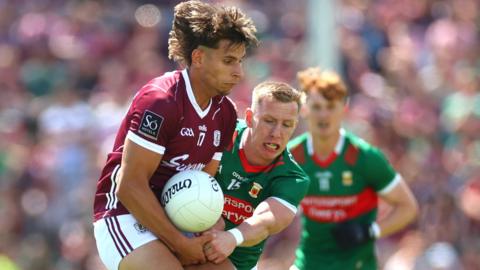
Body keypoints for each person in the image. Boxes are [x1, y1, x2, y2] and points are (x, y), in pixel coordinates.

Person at [92, 1, 258, 270]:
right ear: (199, 58)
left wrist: (211, 224)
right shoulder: (161, 101)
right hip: (125, 214)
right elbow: (129, 185)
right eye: (228, 61)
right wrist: (180, 244)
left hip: (180, 221)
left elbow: (204, 181)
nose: (238, 72)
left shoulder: (226, 112)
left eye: (240, 61)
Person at [258, 68, 419, 270]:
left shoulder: (365, 158)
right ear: (304, 110)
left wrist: (370, 231)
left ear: (344, 108)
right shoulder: (291, 156)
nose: (323, 115)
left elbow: (408, 207)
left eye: (330, 106)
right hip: (308, 264)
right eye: (316, 106)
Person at [186, 81, 310, 270]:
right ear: (250, 117)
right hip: (184, 231)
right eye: (269, 121)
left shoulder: (293, 177)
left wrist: (232, 237)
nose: (277, 133)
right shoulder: (219, 133)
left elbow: (267, 220)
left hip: (233, 261)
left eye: (287, 124)